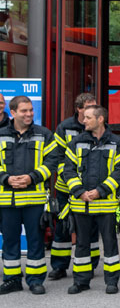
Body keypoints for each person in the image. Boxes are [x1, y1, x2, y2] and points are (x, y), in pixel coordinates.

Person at [61, 106, 120, 294]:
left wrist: (100, 191)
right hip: (81, 202)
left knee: (110, 243)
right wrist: (79, 191)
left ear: (100, 120)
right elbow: (68, 170)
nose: (84, 121)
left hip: (106, 204)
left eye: (88, 118)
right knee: (82, 243)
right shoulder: (76, 142)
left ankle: (112, 281)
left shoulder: (117, 143)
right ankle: (81, 281)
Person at [0, 96, 59, 294]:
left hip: (34, 200)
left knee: (35, 240)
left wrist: (32, 177)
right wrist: (5, 178)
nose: (29, 114)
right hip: (7, 200)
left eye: (31, 110)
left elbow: (53, 161)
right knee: (9, 241)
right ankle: (12, 280)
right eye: (24, 111)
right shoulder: (0, 135)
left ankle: (35, 280)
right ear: (13, 112)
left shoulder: (44, 134)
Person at [49, 92, 98, 281]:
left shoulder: (99, 126)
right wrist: (72, 181)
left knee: (91, 227)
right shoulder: (65, 128)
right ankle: (59, 266)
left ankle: (90, 265)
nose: (92, 111)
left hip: (91, 190)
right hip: (66, 189)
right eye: (88, 107)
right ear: (78, 109)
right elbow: (58, 157)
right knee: (63, 227)